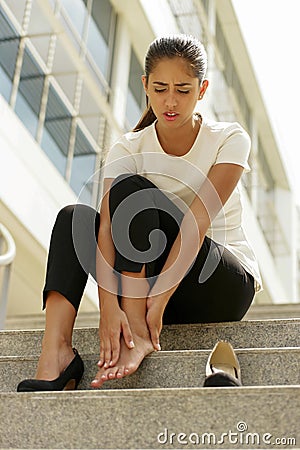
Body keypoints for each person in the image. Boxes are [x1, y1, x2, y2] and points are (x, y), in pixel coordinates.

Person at [17, 34, 262, 392]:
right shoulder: (128, 147)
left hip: (217, 285)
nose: (170, 101)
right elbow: (103, 235)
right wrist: (107, 309)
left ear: (202, 89)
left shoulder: (229, 139)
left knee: (133, 193)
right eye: (160, 88)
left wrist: (145, 315)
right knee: (75, 217)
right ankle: (56, 355)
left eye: (183, 89)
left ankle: (138, 333)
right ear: (145, 85)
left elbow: (196, 224)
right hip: (148, 285)